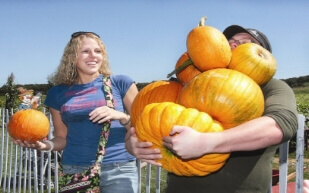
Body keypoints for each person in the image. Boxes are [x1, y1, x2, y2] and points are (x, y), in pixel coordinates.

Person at [125, 25, 299, 193]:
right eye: (230, 41)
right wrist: (132, 142)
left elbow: (280, 125)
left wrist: (206, 143)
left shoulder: (272, 88)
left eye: (247, 42)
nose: (234, 44)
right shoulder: (188, 85)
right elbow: (143, 118)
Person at [12, 31, 139, 193]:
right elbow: (62, 138)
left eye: (98, 51)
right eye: (85, 51)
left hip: (118, 169)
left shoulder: (121, 83)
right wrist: (45, 145)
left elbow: (143, 129)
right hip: (74, 169)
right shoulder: (57, 93)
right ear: (72, 57)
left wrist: (121, 117)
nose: (93, 56)